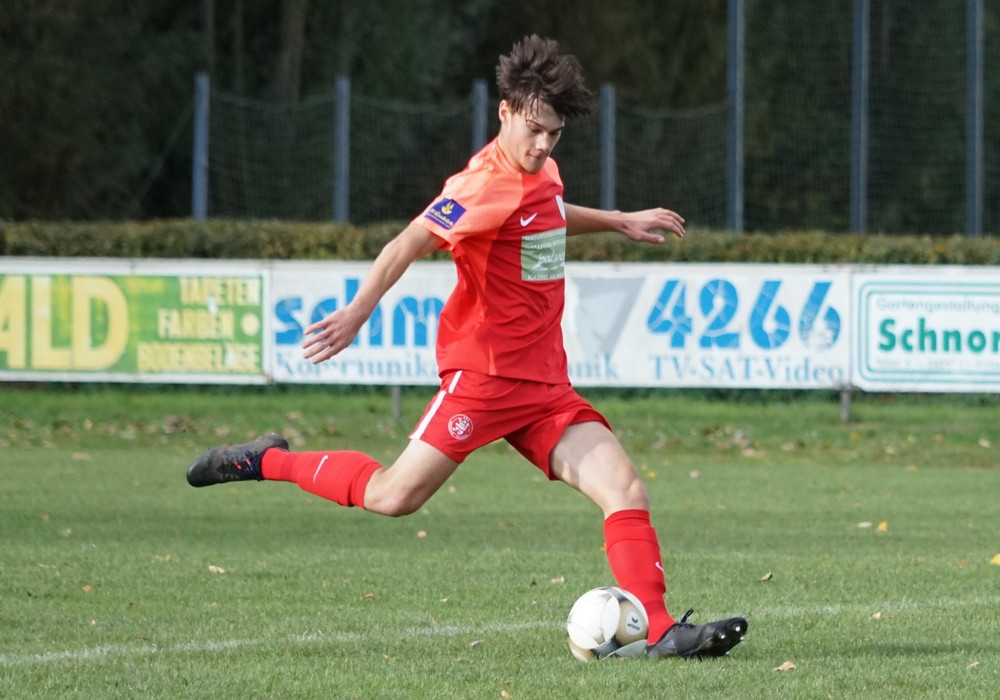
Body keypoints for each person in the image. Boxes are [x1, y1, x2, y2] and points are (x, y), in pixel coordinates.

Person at [187, 35, 747, 659]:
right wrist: (358, 311)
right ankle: (267, 460)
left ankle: (662, 632)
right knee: (394, 497)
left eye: (554, 134)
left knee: (625, 490)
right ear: (505, 111)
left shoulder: (542, 171)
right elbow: (407, 242)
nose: (543, 145)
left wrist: (618, 221)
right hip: (483, 378)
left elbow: (548, 211)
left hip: (545, 386)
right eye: (533, 130)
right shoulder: (479, 186)